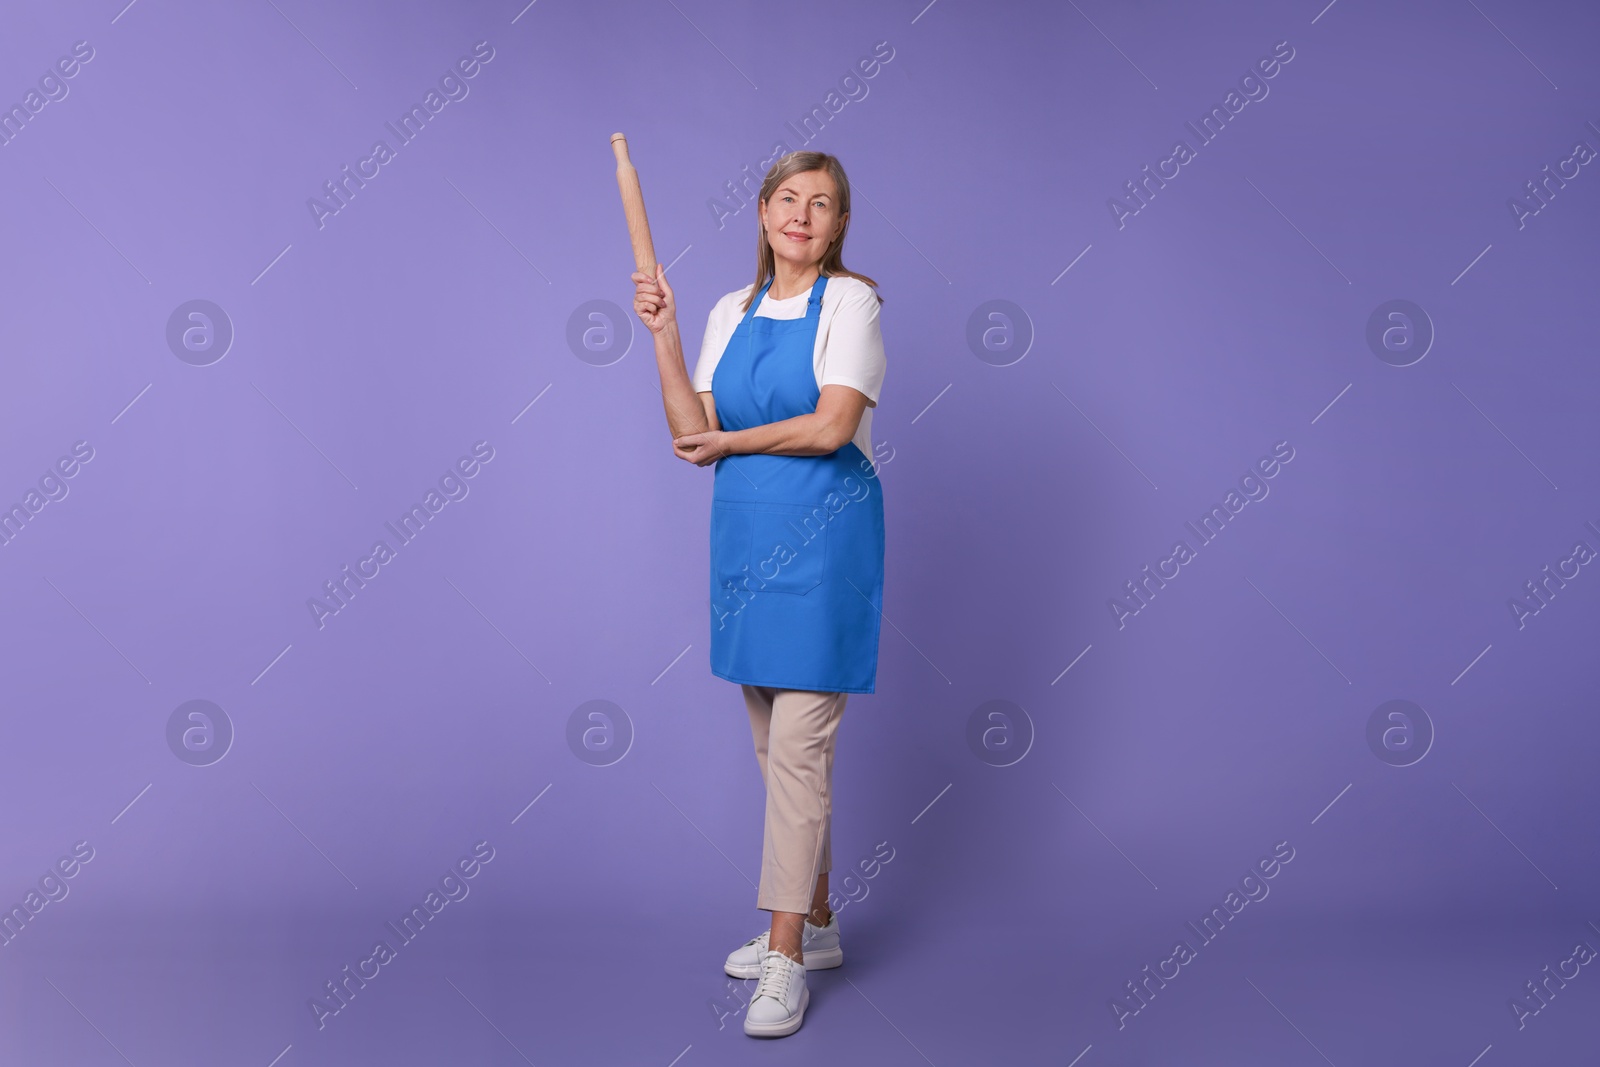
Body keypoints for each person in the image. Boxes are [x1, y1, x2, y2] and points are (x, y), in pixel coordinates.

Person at [632, 150, 887, 1039]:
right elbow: (691, 431)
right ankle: (815, 925)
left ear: (840, 224)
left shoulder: (852, 302)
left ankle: (784, 959)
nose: (803, 215)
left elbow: (830, 425)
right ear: (762, 211)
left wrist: (734, 446)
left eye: (823, 204)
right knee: (772, 750)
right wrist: (664, 336)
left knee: (800, 753)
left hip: (823, 547)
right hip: (746, 544)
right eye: (789, 199)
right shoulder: (728, 311)